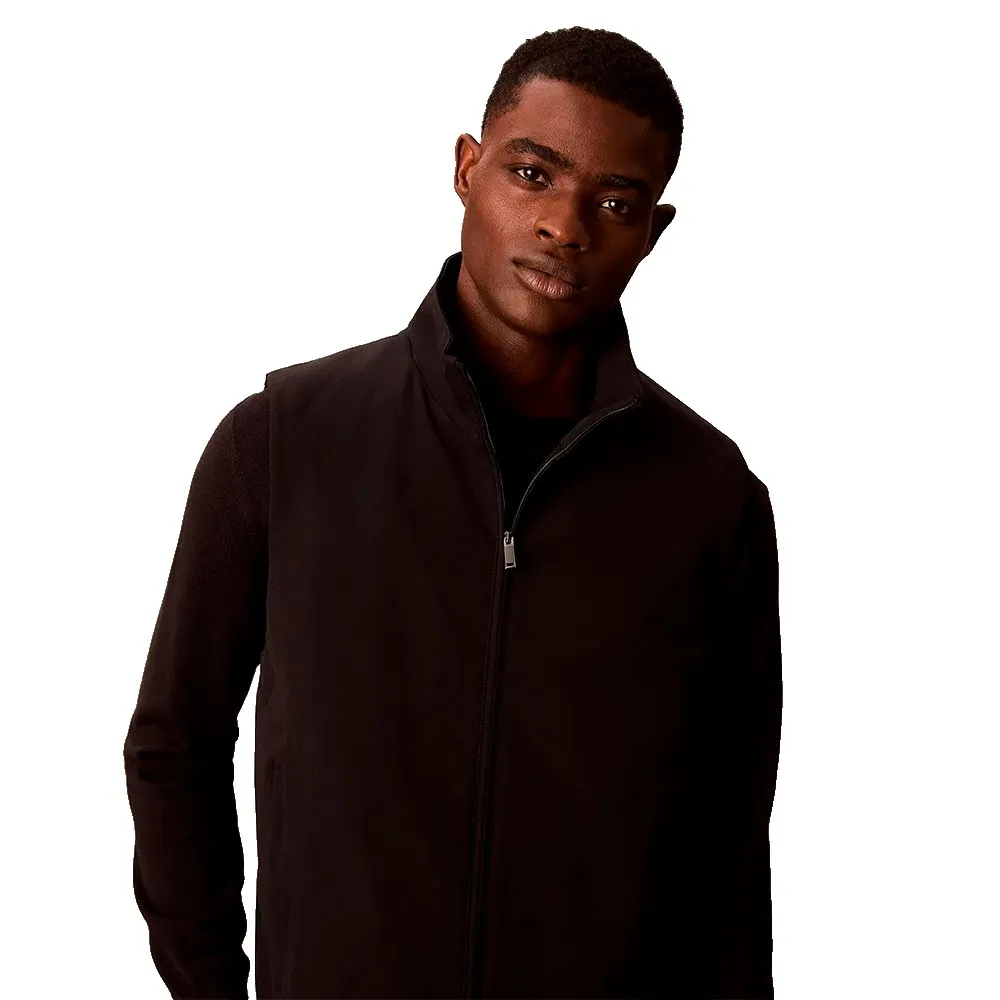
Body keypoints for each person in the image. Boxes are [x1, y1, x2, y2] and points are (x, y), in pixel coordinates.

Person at [123, 25, 783, 1000]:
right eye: (532, 174)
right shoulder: (283, 442)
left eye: (614, 201)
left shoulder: (709, 497)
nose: (564, 226)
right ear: (468, 169)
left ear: (654, 228)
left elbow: (728, 839)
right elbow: (173, 746)